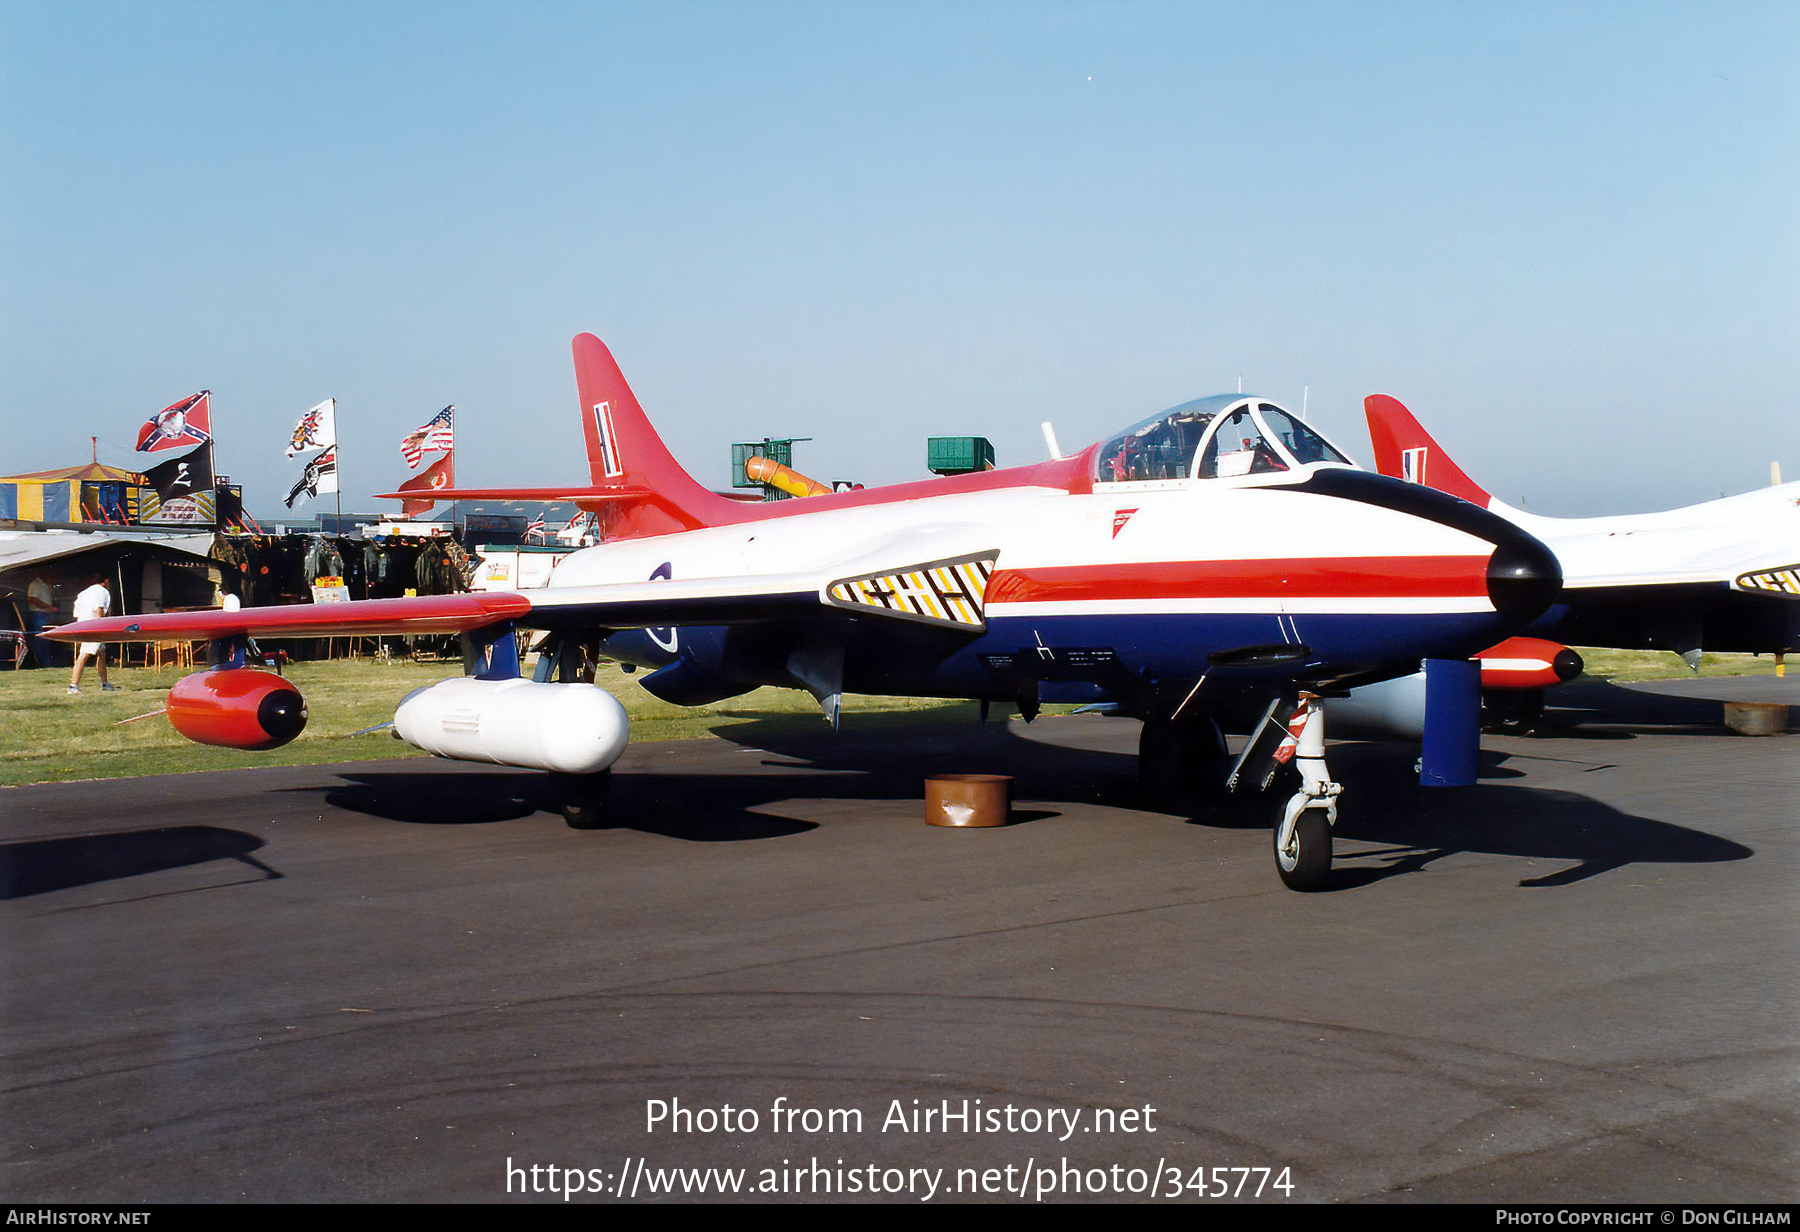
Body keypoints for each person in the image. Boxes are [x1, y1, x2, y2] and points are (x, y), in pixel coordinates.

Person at [68, 572, 117, 694]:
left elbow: (76, 612)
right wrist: (100, 627)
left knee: (101, 653)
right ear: (106, 581)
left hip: (83, 623)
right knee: (84, 655)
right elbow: (98, 609)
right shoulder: (101, 592)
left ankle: (105, 683)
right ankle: (73, 686)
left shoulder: (85, 592)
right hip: (93, 625)